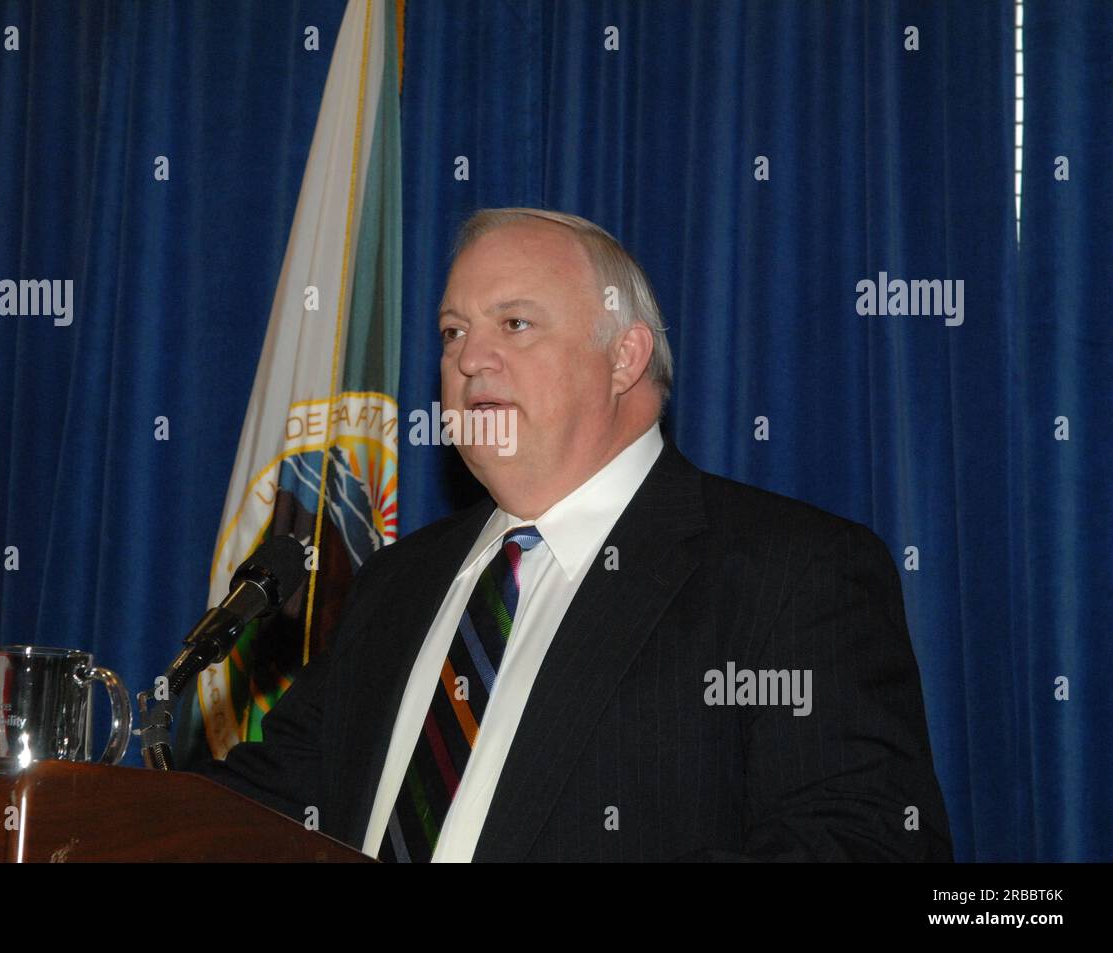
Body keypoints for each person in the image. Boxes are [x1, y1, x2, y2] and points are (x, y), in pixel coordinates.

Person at [195, 207, 954, 862]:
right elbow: (260, 812)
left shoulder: (790, 572)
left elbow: (864, 843)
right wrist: (92, 811)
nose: (467, 358)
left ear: (624, 356)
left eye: (514, 323)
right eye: (452, 330)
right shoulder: (397, 582)